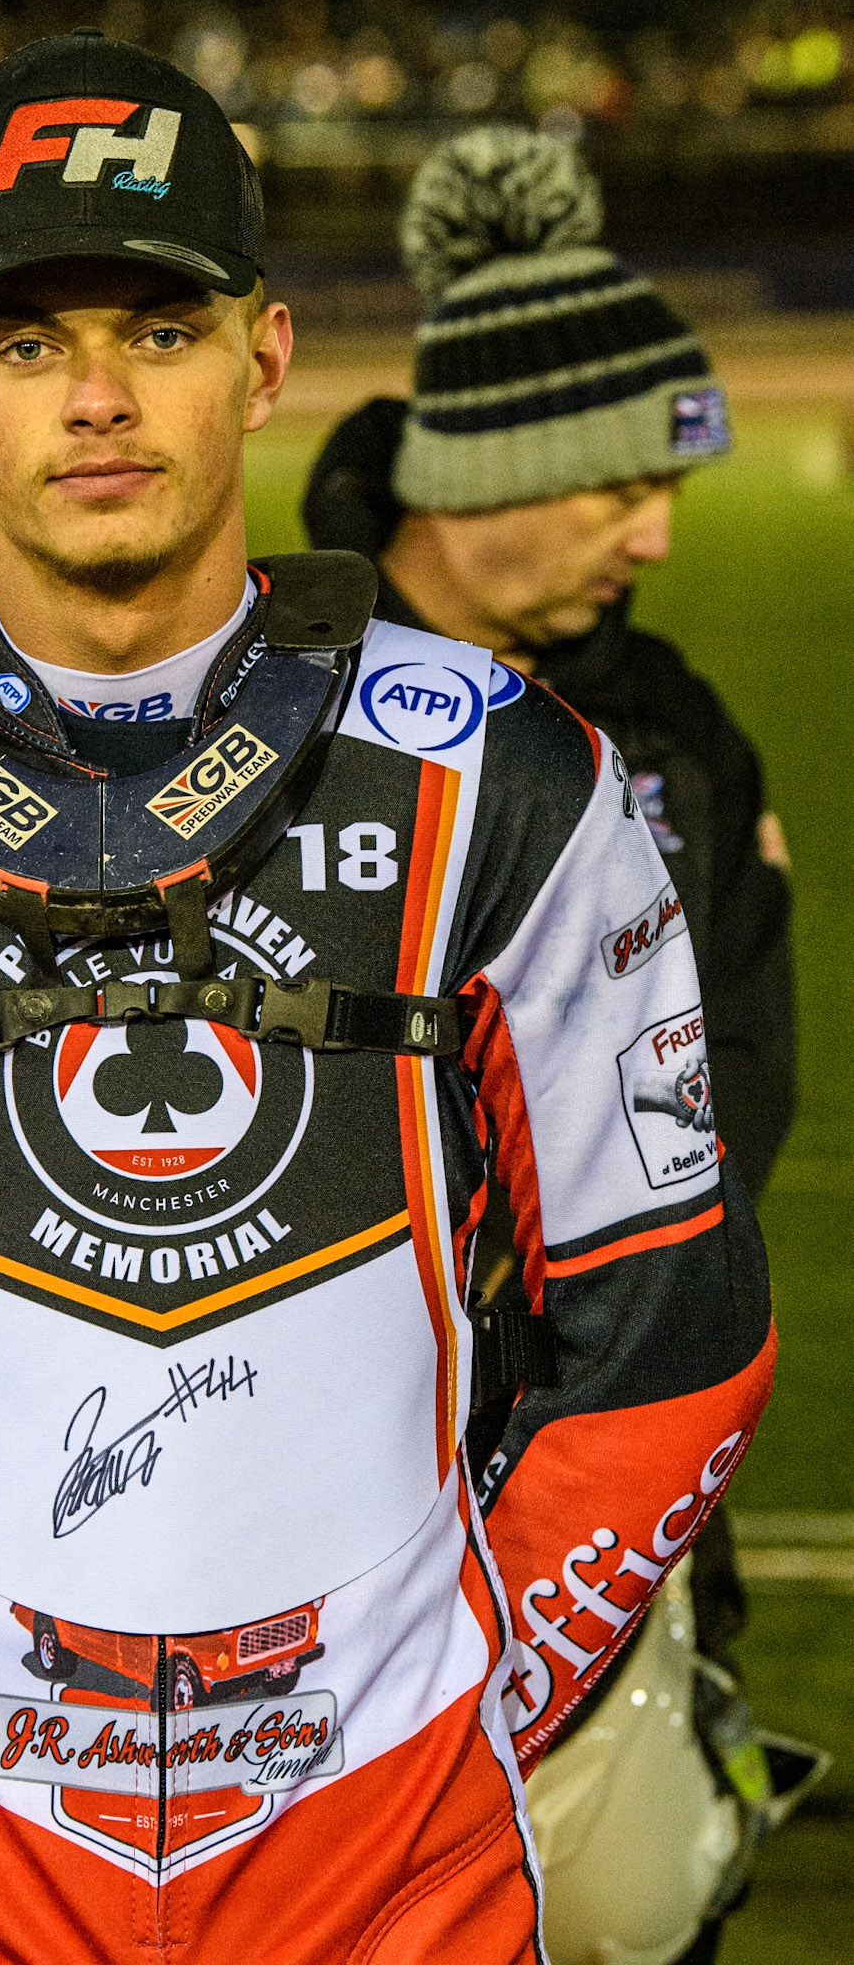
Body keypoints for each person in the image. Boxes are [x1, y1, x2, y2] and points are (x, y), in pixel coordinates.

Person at [0, 43, 773, 1965]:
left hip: (404, 1862)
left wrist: (471, 1684)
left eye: (160, 326)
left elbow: (673, 1328)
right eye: (29, 340)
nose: (103, 398)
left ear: (270, 355)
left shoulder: (506, 780)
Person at [302, 125, 799, 1965]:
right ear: (478, 466)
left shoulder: (672, 733)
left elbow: (729, 1086)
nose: (652, 532)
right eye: (604, 483)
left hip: (611, 1512)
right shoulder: (256, 696)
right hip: (294, 1531)